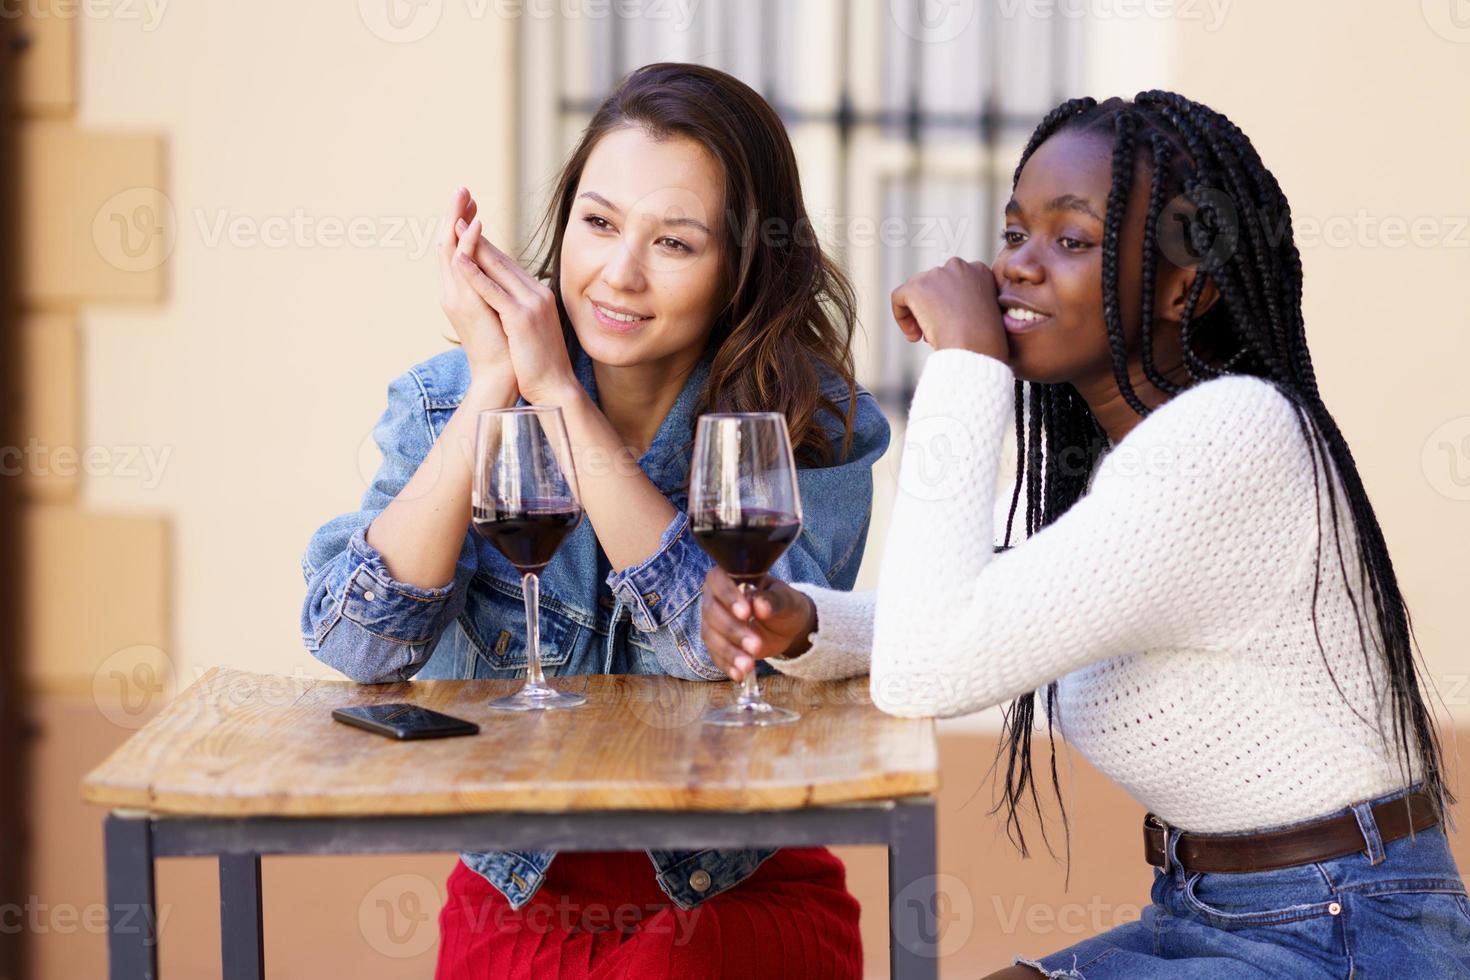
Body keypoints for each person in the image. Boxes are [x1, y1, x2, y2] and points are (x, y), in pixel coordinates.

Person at [703, 92, 1470, 978]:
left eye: (1071, 241)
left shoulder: (1230, 438)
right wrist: (803, 623)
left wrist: (962, 363)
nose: (1020, 267)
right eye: (1015, 232)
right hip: (1213, 907)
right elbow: (957, 618)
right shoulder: (1111, 468)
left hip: (1343, 930)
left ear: (1191, 284)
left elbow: (927, 668)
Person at [300, 63, 889, 979]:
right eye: (600, 223)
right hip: (515, 900)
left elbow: (728, 648)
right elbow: (357, 646)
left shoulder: (809, 426)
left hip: (730, 899)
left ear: (742, 264)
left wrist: (558, 394)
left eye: (676, 243)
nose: (620, 273)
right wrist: (498, 383)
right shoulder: (447, 399)